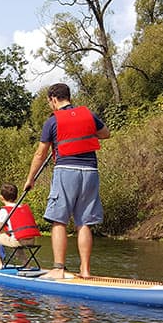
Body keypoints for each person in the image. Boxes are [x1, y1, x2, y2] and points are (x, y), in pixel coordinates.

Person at [23, 83, 111, 279]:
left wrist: (30, 179)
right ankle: (85, 270)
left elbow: (40, 154)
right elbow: (106, 134)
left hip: (66, 170)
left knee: (59, 220)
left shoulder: (52, 121)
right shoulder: (89, 115)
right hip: (90, 171)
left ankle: (59, 269)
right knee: (85, 222)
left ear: (54, 99)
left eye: (49, 102)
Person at [0, 183, 43, 272]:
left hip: (18, 241)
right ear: (16, 197)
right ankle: (26, 264)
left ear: (1, 197)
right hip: (31, 240)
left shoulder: (4, 210)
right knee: (14, 239)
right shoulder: (22, 207)